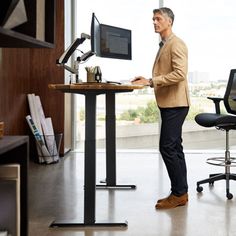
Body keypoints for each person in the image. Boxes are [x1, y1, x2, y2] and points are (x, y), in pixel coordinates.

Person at [132, 7, 190, 209]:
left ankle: (179, 194)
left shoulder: (176, 44)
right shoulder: (164, 44)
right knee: (175, 147)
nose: (154, 22)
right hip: (171, 103)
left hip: (176, 104)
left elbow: (180, 74)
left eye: (158, 19)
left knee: (167, 147)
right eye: (153, 19)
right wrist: (148, 80)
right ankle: (181, 192)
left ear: (169, 21)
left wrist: (150, 81)